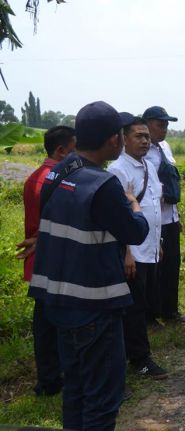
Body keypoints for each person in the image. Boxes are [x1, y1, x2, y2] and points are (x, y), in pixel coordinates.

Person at [28, 101, 149, 431]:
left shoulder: (59, 172)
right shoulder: (104, 185)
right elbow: (135, 232)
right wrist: (135, 206)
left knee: (77, 391)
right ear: (113, 141)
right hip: (95, 307)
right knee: (102, 399)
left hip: (59, 303)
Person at [16, 126, 76, 396]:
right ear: (61, 150)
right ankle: (50, 379)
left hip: (44, 257)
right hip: (50, 258)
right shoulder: (52, 179)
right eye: (75, 150)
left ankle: (52, 377)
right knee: (49, 323)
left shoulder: (39, 177)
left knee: (47, 321)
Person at [107, 116, 168, 379]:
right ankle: (140, 360)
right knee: (134, 309)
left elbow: (154, 204)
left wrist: (158, 242)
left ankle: (136, 352)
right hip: (134, 252)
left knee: (142, 304)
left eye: (146, 136)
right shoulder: (117, 170)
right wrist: (128, 252)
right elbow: (119, 219)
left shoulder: (148, 166)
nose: (145, 140)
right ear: (123, 139)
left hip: (150, 247)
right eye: (138, 136)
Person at [143, 106, 185, 323]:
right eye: (161, 125)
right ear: (147, 124)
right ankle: (152, 314)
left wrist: (177, 217)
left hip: (169, 217)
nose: (165, 129)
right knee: (154, 268)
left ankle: (170, 311)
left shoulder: (165, 147)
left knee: (172, 264)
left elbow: (171, 182)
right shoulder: (140, 152)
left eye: (167, 125)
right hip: (153, 220)